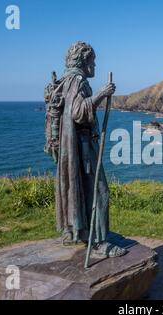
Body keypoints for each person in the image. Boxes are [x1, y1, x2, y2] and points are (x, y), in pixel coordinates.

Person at [54, 41, 126, 258]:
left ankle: (81, 231)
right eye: (93, 61)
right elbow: (78, 112)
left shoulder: (66, 80)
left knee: (83, 190)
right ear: (84, 61)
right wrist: (102, 94)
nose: (95, 66)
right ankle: (100, 243)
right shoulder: (78, 80)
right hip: (83, 148)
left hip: (75, 146)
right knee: (100, 191)